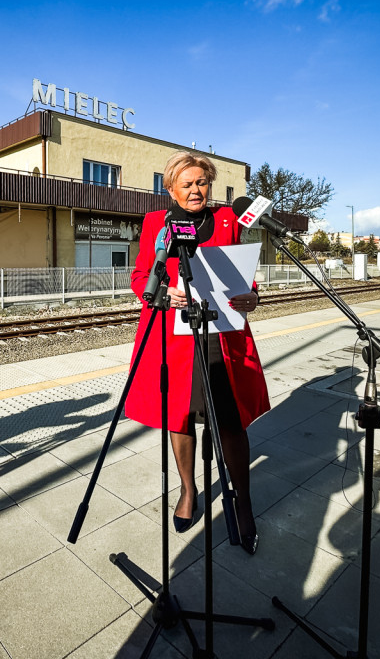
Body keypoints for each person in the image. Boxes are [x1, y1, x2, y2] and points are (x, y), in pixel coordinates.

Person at [125, 151, 270, 555]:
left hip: (220, 335)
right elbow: (141, 276)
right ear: (171, 189)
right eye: (186, 184)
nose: (195, 190)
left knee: (230, 420)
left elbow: (242, 275)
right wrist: (161, 293)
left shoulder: (226, 220)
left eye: (201, 182)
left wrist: (252, 295)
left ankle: (242, 502)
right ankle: (189, 490)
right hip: (174, 336)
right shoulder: (156, 222)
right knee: (181, 417)